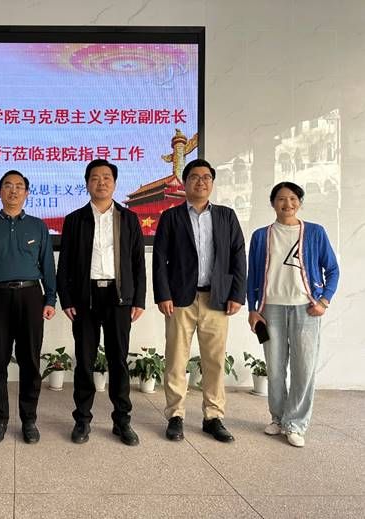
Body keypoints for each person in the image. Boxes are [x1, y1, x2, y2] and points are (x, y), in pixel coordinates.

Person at [153, 158, 246, 443]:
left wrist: (237, 294)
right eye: (194, 177)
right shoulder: (171, 217)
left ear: (212, 183)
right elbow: (159, 259)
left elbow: (238, 255)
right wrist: (163, 294)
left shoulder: (226, 216)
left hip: (217, 298)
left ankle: (213, 416)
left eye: (206, 177)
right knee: (176, 358)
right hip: (180, 299)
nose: (201, 182)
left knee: (214, 360)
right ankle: (175, 415)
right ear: (185, 183)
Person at [57, 159, 146, 446]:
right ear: (87, 184)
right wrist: (66, 298)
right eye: (95, 178)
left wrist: (138, 299)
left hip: (119, 297)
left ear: (115, 183)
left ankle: (122, 421)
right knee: (84, 361)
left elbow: (138, 263)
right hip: (85, 297)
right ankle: (82, 419)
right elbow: (65, 264)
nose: (101, 182)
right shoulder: (75, 219)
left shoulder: (128, 218)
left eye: (107, 177)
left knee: (118, 360)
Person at [247, 182, 339, 447]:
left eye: (292, 198)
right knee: (275, 368)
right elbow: (253, 275)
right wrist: (253, 309)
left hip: (305, 309)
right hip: (270, 309)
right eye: (281, 199)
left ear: (300, 202)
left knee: (304, 368)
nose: (287, 204)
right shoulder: (261, 236)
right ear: (272, 203)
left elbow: (332, 269)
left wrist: (324, 301)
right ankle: (278, 418)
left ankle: (296, 423)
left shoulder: (315, 233)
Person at [0, 170, 56, 444]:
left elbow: (48, 265)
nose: (13, 190)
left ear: (27, 193)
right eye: (8, 185)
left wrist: (50, 299)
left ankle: (29, 420)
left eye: (19, 186)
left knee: (30, 360)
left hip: (31, 296)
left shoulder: (38, 226)